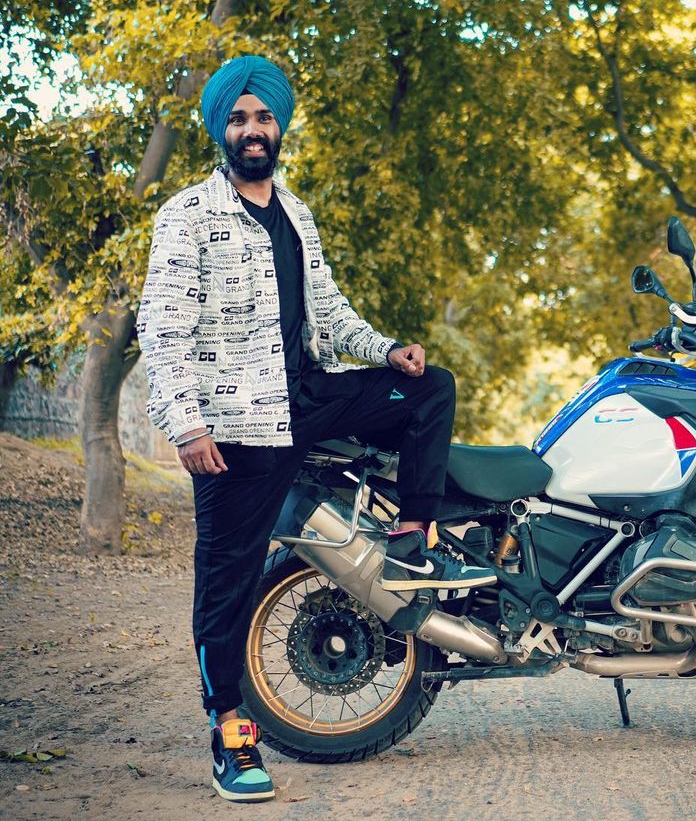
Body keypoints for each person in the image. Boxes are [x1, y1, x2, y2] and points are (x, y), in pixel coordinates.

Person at [137, 54, 495, 803]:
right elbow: (161, 329)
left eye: (263, 117)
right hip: (235, 428)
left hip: (307, 397)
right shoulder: (188, 215)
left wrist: (386, 351)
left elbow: (329, 312)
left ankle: (412, 538)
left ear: (280, 125)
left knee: (430, 389)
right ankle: (231, 734)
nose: (252, 130)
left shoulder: (294, 213)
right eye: (237, 119)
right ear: (220, 130)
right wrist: (186, 424)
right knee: (228, 581)